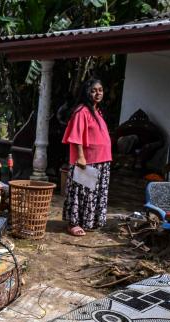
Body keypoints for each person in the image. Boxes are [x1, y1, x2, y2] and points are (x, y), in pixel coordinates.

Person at [62, 78, 112, 237]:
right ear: (86, 92)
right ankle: (73, 223)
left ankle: (88, 221)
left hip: (101, 159)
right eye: (93, 90)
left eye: (100, 90)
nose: (98, 93)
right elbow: (75, 137)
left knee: (93, 194)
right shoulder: (81, 111)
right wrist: (81, 157)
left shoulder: (97, 111)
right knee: (80, 193)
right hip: (87, 160)